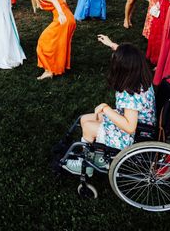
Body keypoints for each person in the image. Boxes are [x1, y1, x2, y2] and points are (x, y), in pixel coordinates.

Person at [63, 36, 156, 174]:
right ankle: (94, 152)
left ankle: (87, 166)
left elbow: (130, 127)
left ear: (122, 69)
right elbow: (128, 57)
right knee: (85, 119)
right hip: (137, 121)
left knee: (88, 126)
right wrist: (112, 45)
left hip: (135, 135)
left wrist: (106, 109)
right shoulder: (138, 76)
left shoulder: (131, 94)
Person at [12, 0, 76, 80]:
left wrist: (60, 13)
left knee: (43, 42)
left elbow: (54, 0)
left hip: (63, 18)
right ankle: (52, 69)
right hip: (67, 17)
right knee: (57, 44)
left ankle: (49, 71)